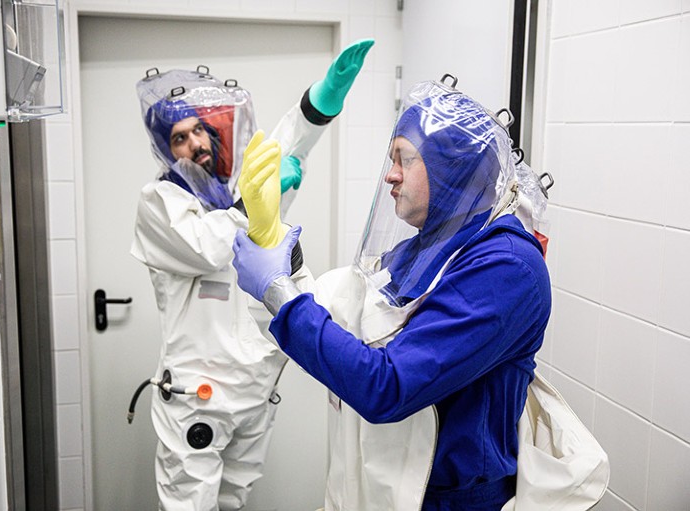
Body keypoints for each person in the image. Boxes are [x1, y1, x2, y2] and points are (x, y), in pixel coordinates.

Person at [231, 79, 553, 510]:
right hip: (383, 479)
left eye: (405, 158)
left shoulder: (505, 268)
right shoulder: (426, 248)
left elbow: (388, 385)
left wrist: (280, 296)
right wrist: (273, 246)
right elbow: (341, 318)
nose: (390, 174)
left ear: (451, 167)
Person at [130, 39, 374, 511]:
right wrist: (256, 204)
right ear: (165, 148)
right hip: (197, 396)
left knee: (235, 501)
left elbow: (279, 144)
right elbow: (209, 248)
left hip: (253, 389)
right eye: (178, 137)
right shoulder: (160, 202)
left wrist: (320, 101)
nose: (194, 144)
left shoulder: (234, 189)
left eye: (198, 131)